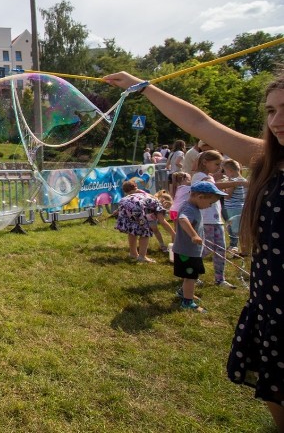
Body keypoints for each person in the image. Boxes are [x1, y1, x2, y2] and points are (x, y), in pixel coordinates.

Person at [104, 70, 284, 429]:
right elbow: (201, 123)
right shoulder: (268, 159)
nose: (276, 121)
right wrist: (144, 87)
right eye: (269, 111)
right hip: (270, 308)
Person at [172, 181, 229, 314]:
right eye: (210, 203)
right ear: (200, 197)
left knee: (189, 275)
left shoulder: (193, 207)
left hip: (190, 251)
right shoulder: (189, 208)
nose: (210, 206)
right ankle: (187, 302)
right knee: (190, 277)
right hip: (187, 251)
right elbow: (183, 219)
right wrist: (193, 235)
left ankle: (184, 292)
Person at [191, 150, 241, 288]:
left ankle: (220, 279)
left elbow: (214, 182)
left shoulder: (209, 176)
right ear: (205, 162)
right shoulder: (199, 176)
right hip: (205, 219)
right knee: (205, 249)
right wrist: (238, 183)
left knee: (220, 249)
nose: (219, 167)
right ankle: (191, 273)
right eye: (217, 164)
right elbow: (213, 187)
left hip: (216, 219)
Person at [114, 180, 173, 263]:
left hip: (124, 203)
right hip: (137, 208)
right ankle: (142, 257)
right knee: (145, 232)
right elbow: (162, 221)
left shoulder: (134, 195)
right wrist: (173, 234)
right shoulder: (155, 201)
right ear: (164, 202)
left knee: (132, 230)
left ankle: (133, 253)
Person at [221, 158, 247, 254]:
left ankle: (235, 248)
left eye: (225, 171)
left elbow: (228, 196)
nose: (225, 173)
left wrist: (222, 191)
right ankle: (245, 249)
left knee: (235, 230)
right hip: (241, 206)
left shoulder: (233, 181)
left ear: (230, 171)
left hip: (232, 207)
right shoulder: (242, 179)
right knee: (242, 229)